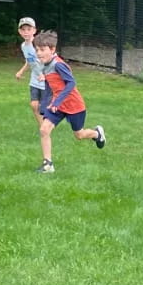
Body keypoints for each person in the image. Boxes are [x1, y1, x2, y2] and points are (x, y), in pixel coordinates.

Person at [33, 30, 105, 173]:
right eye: (37, 50)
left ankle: (97, 134)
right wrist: (45, 104)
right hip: (57, 106)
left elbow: (71, 83)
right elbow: (50, 85)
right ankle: (48, 164)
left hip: (73, 105)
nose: (39, 53)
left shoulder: (59, 64)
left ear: (52, 49)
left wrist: (57, 101)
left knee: (79, 135)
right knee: (44, 129)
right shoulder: (44, 64)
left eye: (42, 50)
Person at [14, 16, 45, 127]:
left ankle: (48, 125)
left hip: (46, 80)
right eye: (23, 30)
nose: (26, 32)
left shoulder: (38, 45)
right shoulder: (24, 46)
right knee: (34, 105)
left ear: (34, 31)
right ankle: (43, 127)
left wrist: (45, 75)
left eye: (29, 29)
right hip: (35, 79)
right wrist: (21, 72)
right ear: (19, 31)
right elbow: (29, 61)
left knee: (45, 107)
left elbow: (49, 61)